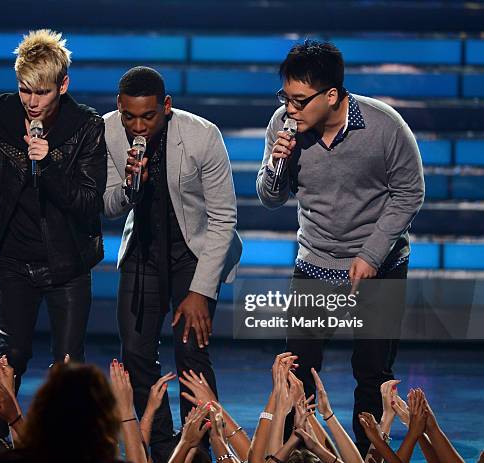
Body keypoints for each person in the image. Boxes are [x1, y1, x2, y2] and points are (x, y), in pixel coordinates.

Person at [256, 40, 425, 456]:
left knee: (371, 370)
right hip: (315, 260)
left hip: (380, 263)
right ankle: (298, 451)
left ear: (331, 95)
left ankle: (370, 452)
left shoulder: (384, 126)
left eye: (299, 100)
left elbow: (410, 192)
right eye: (286, 97)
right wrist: (278, 165)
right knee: (298, 367)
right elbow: (269, 197)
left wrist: (371, 254)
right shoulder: (282, 125)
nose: (290, 109)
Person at [0, 30, 107, 394]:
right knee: (11, 357)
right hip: (12, 258)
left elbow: (89, 202)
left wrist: (48, 165)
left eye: (41, 92)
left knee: (68, 364)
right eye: (24, 89)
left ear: (62, 86)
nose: (31, 101)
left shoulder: (87, 126)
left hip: (67, 264)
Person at [103, 66, 242, 462]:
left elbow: (223, 219)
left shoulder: (202, 135)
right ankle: (162, 447)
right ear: (119, 107)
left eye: (148, 116)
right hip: (143, 252)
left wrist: (200, 290)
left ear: (166, 106)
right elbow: (108, 205)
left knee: (191, 355)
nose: (138, 126)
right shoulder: (109, 131)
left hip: (194, 254)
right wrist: (130, 185)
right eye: (130, 116)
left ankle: (199, 449)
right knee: (135, 351)